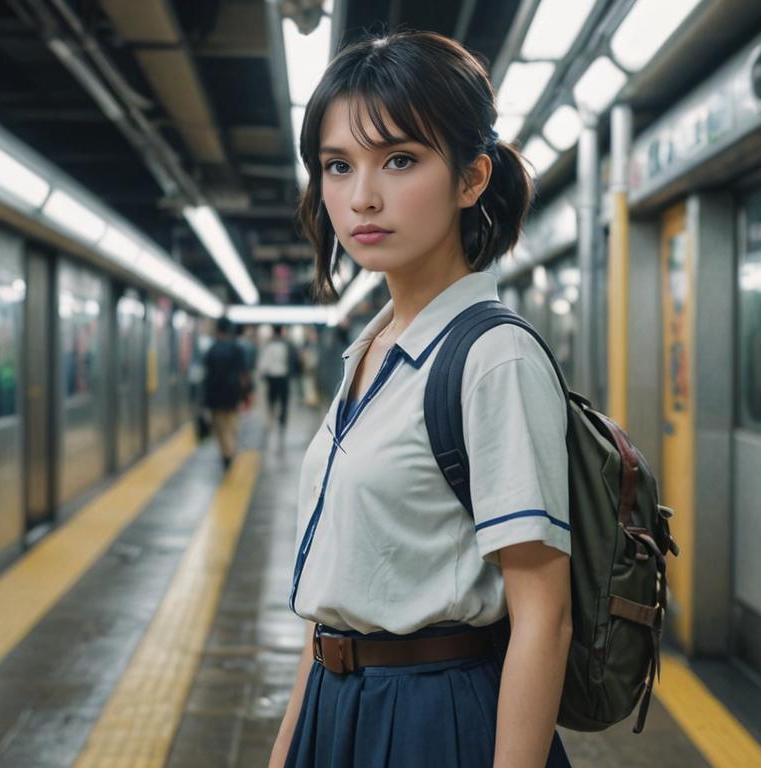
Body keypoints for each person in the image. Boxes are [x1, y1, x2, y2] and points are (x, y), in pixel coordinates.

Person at [269, 31, 572, 768]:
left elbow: (545, 616)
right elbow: (333, 598)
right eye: (338, 166)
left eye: (399, 160)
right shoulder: (371, 351)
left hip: (433, 719)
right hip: (334, 705)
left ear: (472, 178)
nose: (361, 196)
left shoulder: (491, 356)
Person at [203, 316, 246, 472]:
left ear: (217, 330)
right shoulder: (237, 349)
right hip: (233, 394)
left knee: (220, 427)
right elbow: (243, 376)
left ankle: (226, 453)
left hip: (215, 395)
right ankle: (231, 450)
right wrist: (244, 395)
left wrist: (205, 400)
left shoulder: (211, 349)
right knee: (232, 424)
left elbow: (206, 376)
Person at [257, 324, 295, 432]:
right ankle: (282, 420)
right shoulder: (287, 345)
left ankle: (271, 418)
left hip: (272, 377)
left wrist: (262, 373)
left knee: (271, 399)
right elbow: (291, 361)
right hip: (284, 376)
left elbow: (264, 362)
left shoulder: (269, 345)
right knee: (284, 400)